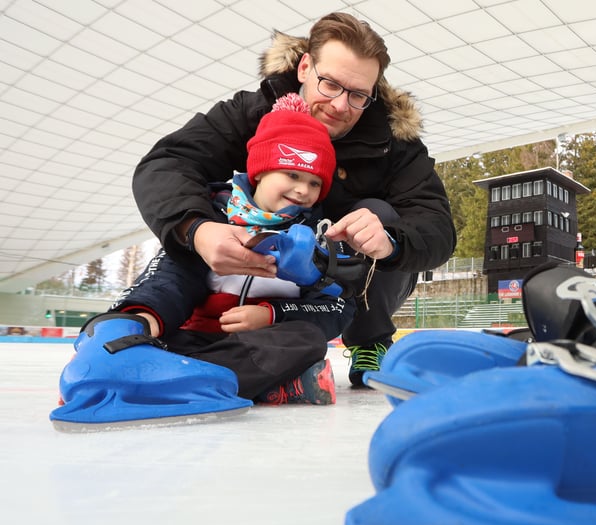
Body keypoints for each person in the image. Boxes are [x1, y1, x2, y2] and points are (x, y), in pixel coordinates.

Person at [131, 12, 456, 387]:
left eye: (358, 95)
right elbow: (166, 163)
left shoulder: (394, 144)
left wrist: (391, 241)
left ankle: (369, 341)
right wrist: (198, 229)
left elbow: (436, 227)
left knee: (379, 215)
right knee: (196, 208)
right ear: (305, 67)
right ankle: (176, 327)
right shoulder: (251, 113)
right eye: (330, 84)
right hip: (252, 268)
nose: (339, 105)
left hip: (330, 284)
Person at [100, 93, 355, 404]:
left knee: (306, 340)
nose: (303, 189)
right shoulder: (212, 218)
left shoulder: (319, 236)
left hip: (258, 347)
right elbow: (171, 277)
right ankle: (255, 385)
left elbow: (337, 307)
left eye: (315, 183)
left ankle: (178, 382)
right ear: (260, 171)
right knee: (149, 341)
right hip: (194, 340)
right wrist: (143, 315)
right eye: (292, 174)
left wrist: (272, 313)